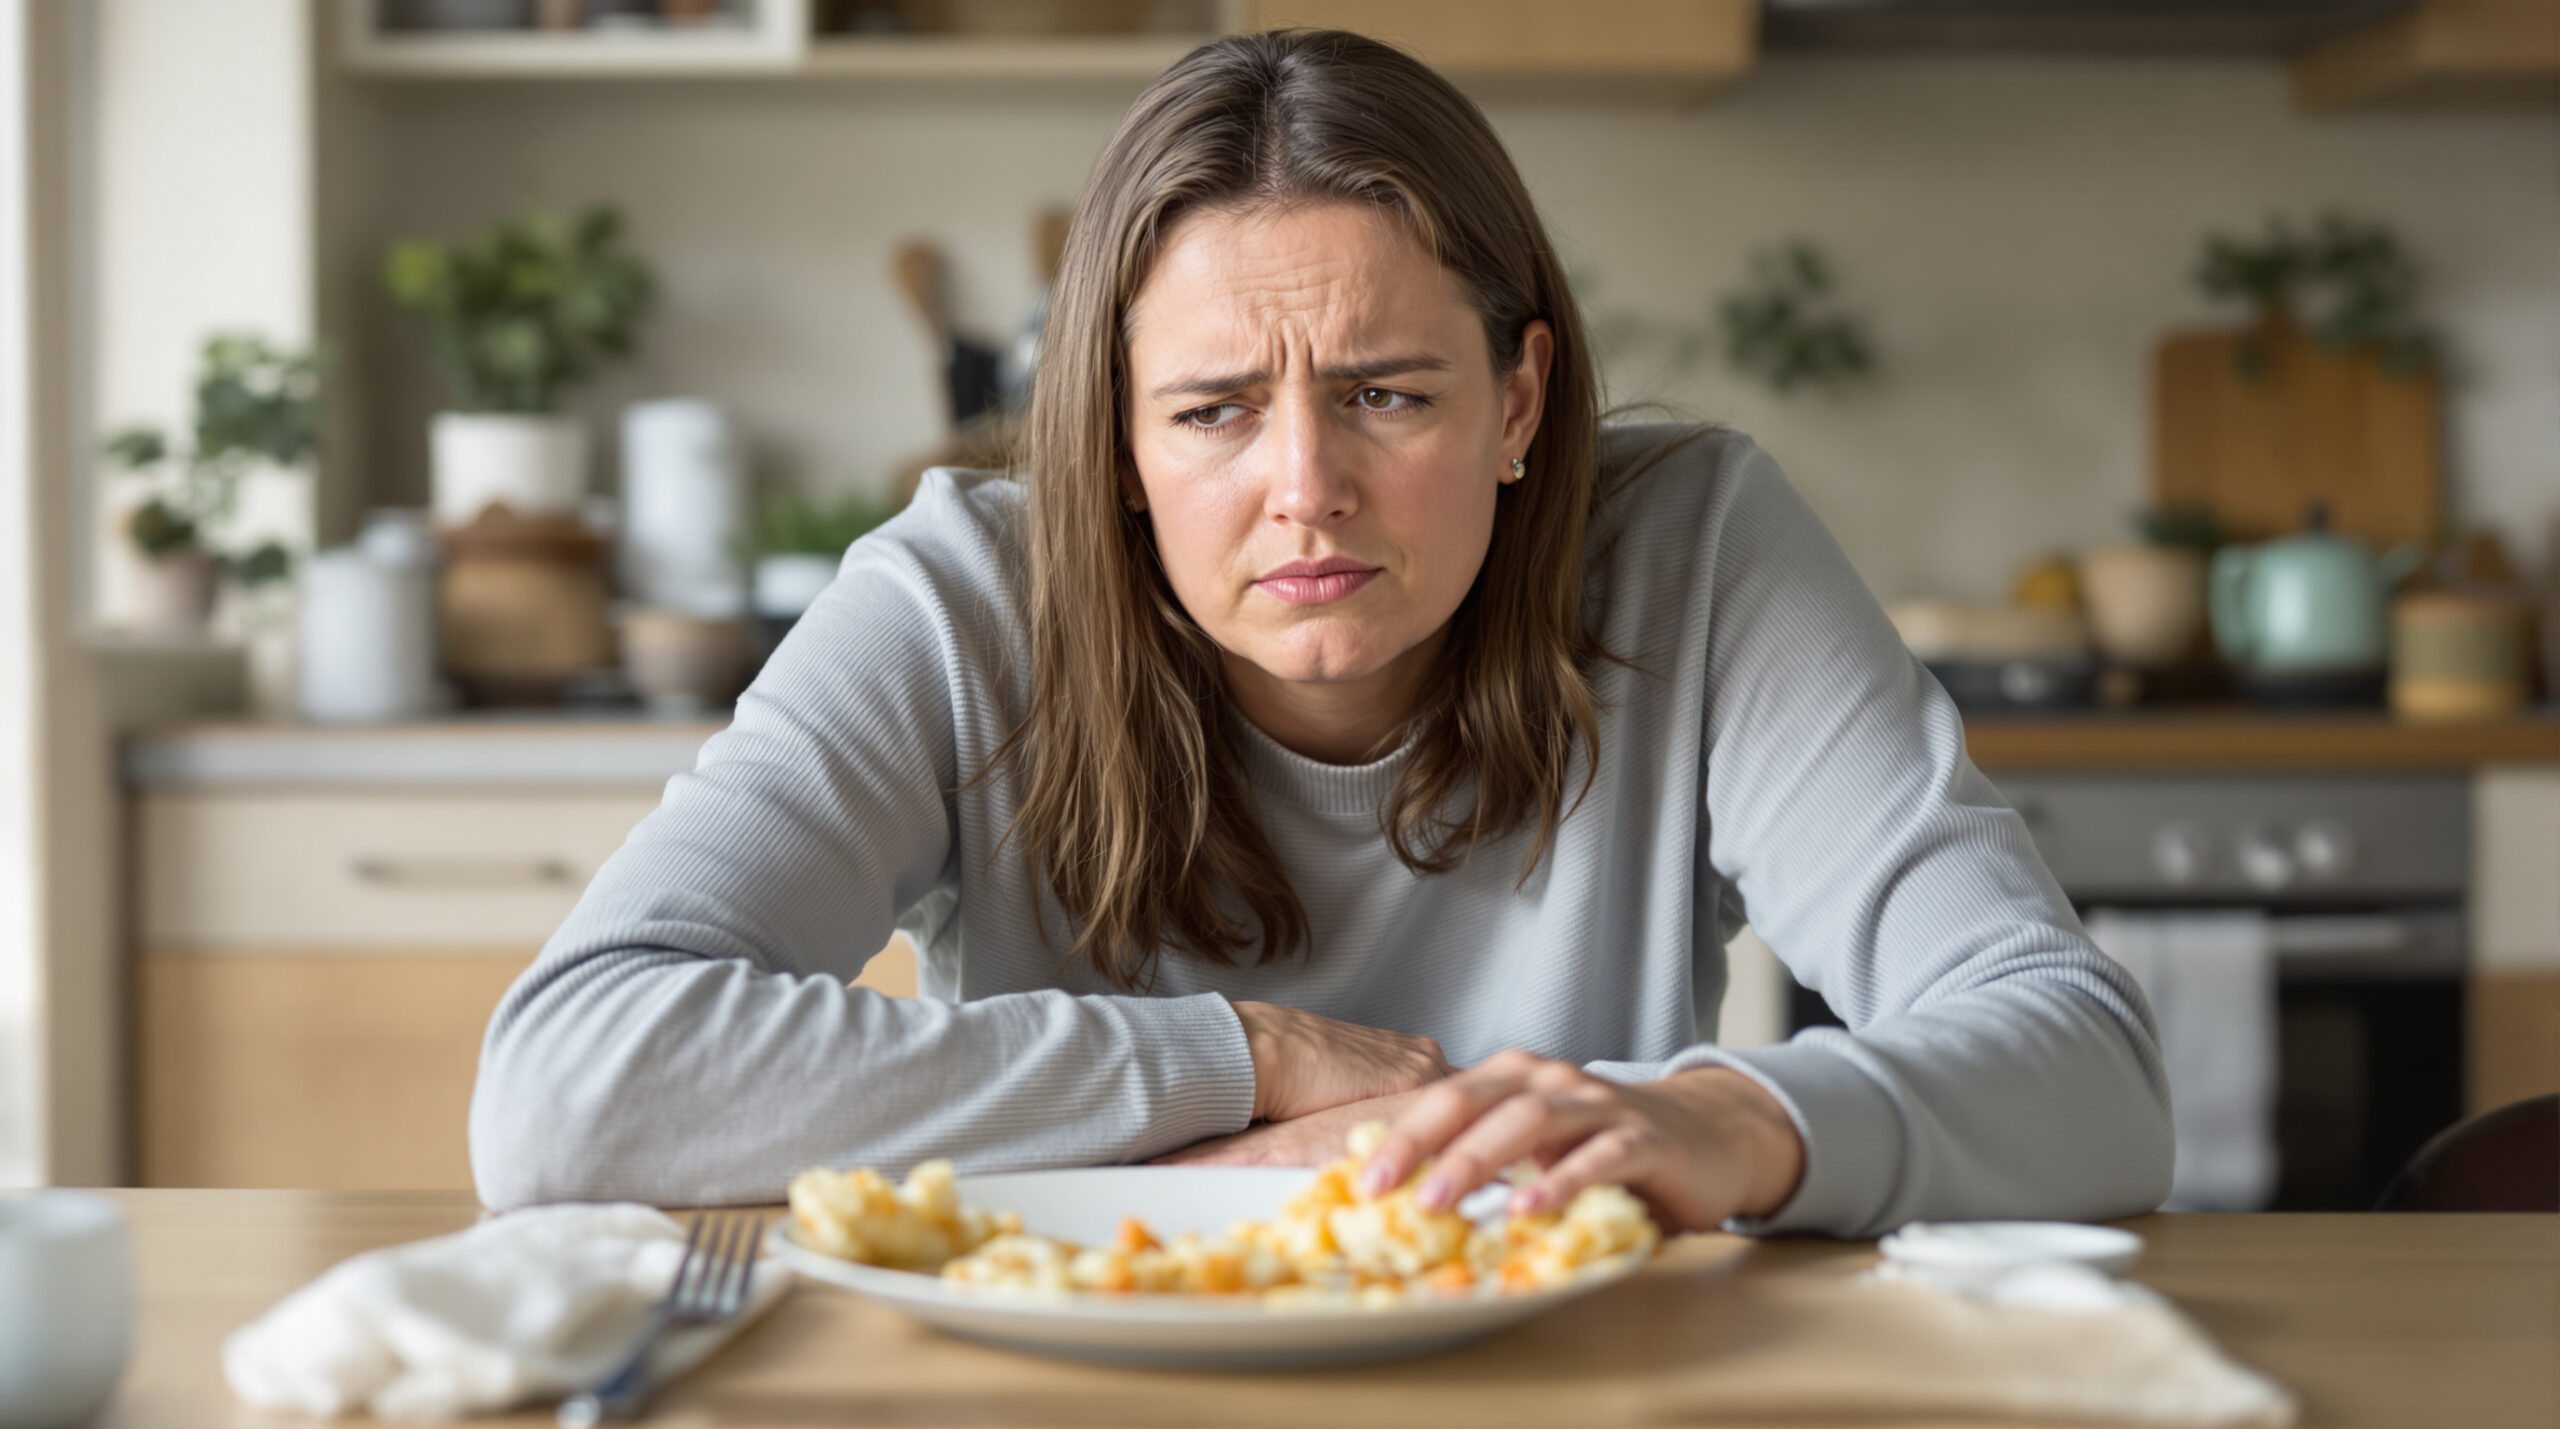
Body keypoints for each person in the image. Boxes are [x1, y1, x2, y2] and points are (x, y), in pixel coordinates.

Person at [468, 28, 2172, 1238]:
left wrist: (1730, 1116)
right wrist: (1243, 1059)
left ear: (1518, 400)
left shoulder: (1697, 550)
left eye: (1387, 394)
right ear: (1117, 444)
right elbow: (570, 1083)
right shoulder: (960, 598)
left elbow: (2087, 1067)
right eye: (1212, 410)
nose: (1307, 491)